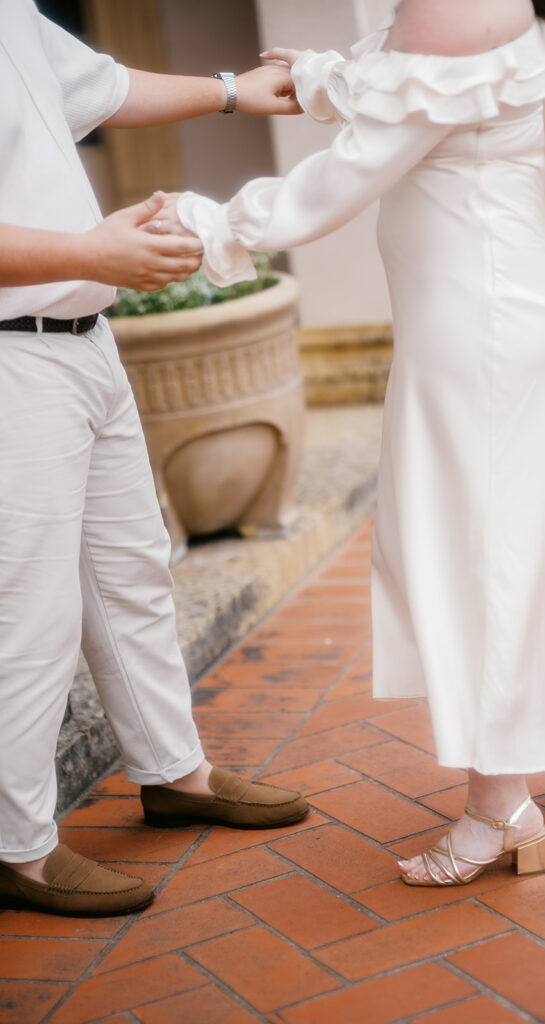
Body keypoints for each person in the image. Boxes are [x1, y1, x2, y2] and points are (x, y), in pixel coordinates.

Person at [154, 0, 545, 888]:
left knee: (476, 558)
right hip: (485, 314)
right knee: (504, 548)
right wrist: (319, 77)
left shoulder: (457, 3)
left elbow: (355, 169)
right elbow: (414, 92)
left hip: (479, 326)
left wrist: (210, 227)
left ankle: (501, 809)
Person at [0, 0, 308, 918]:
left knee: (132, 576)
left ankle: (175, 772)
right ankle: (16, 848)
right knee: (31, 616)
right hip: (12, 355)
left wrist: (232, 92)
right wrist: (93, 246)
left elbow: (103, 84)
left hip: (85, 339)